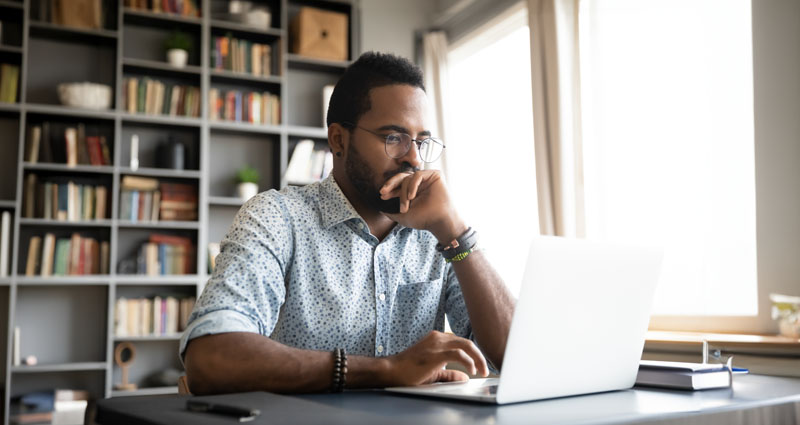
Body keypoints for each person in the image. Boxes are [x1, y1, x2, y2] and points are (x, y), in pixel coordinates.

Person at [182, 51, 515, 395]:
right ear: (339, 140)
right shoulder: (277, 217)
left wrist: (456, 234)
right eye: (393, 138)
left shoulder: (437, 233)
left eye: (421, 141)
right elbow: (212, 357)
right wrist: (385, 370)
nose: (414, 158)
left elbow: (517, 357)